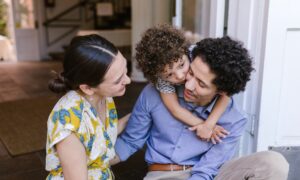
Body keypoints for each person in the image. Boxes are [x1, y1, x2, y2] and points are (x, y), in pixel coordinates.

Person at [113, 36, 289, 179]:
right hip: (164, 175)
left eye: (201, 84)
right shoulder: (154, 93)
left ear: (221, 91)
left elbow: (207, 169)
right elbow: (130, 141)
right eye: (191, 73)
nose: (187, 84)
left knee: (273, 163)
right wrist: (89, 163)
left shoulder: (234, 118)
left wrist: (209, 124)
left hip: (211, 174)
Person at [45, 34, 131, 179]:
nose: (128, 80)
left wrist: (136, 117)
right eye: (118, 80)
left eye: (126, 70)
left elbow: (99, 136)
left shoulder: (103, 95)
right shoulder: (68, 125)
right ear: (87, 88)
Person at [135, 25, 229, 142]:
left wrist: (210, 124)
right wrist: (204, 126)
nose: (180, 76)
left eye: (182, 65)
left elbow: (226, 93)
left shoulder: (196, 55)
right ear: (158, 76)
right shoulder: (162, 80)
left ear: (185, 50)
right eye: (169, 74)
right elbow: (175, 109)